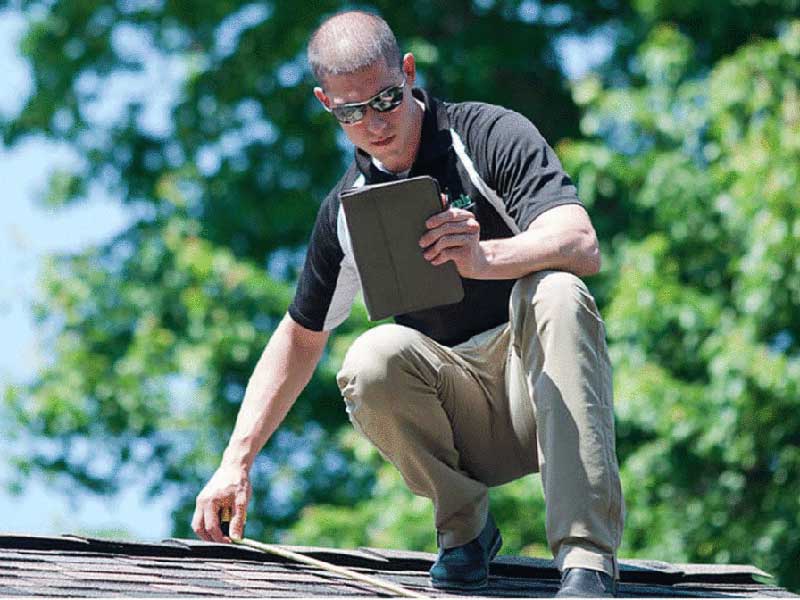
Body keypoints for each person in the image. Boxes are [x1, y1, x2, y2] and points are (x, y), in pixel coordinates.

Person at [192, 10, 624, 597]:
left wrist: (487, 259)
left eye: (386, 100)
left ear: (409, 73)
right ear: (326, 105)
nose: (373, 123)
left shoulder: (487, 134)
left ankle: (586, 564)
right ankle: (466, 531)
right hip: (460, 413)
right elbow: (298, 339)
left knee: (557, 290)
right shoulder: (345, 210)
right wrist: (234, 463)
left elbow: (582, 242)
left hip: (544, 394)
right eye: (350, 111)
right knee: (370, 357)